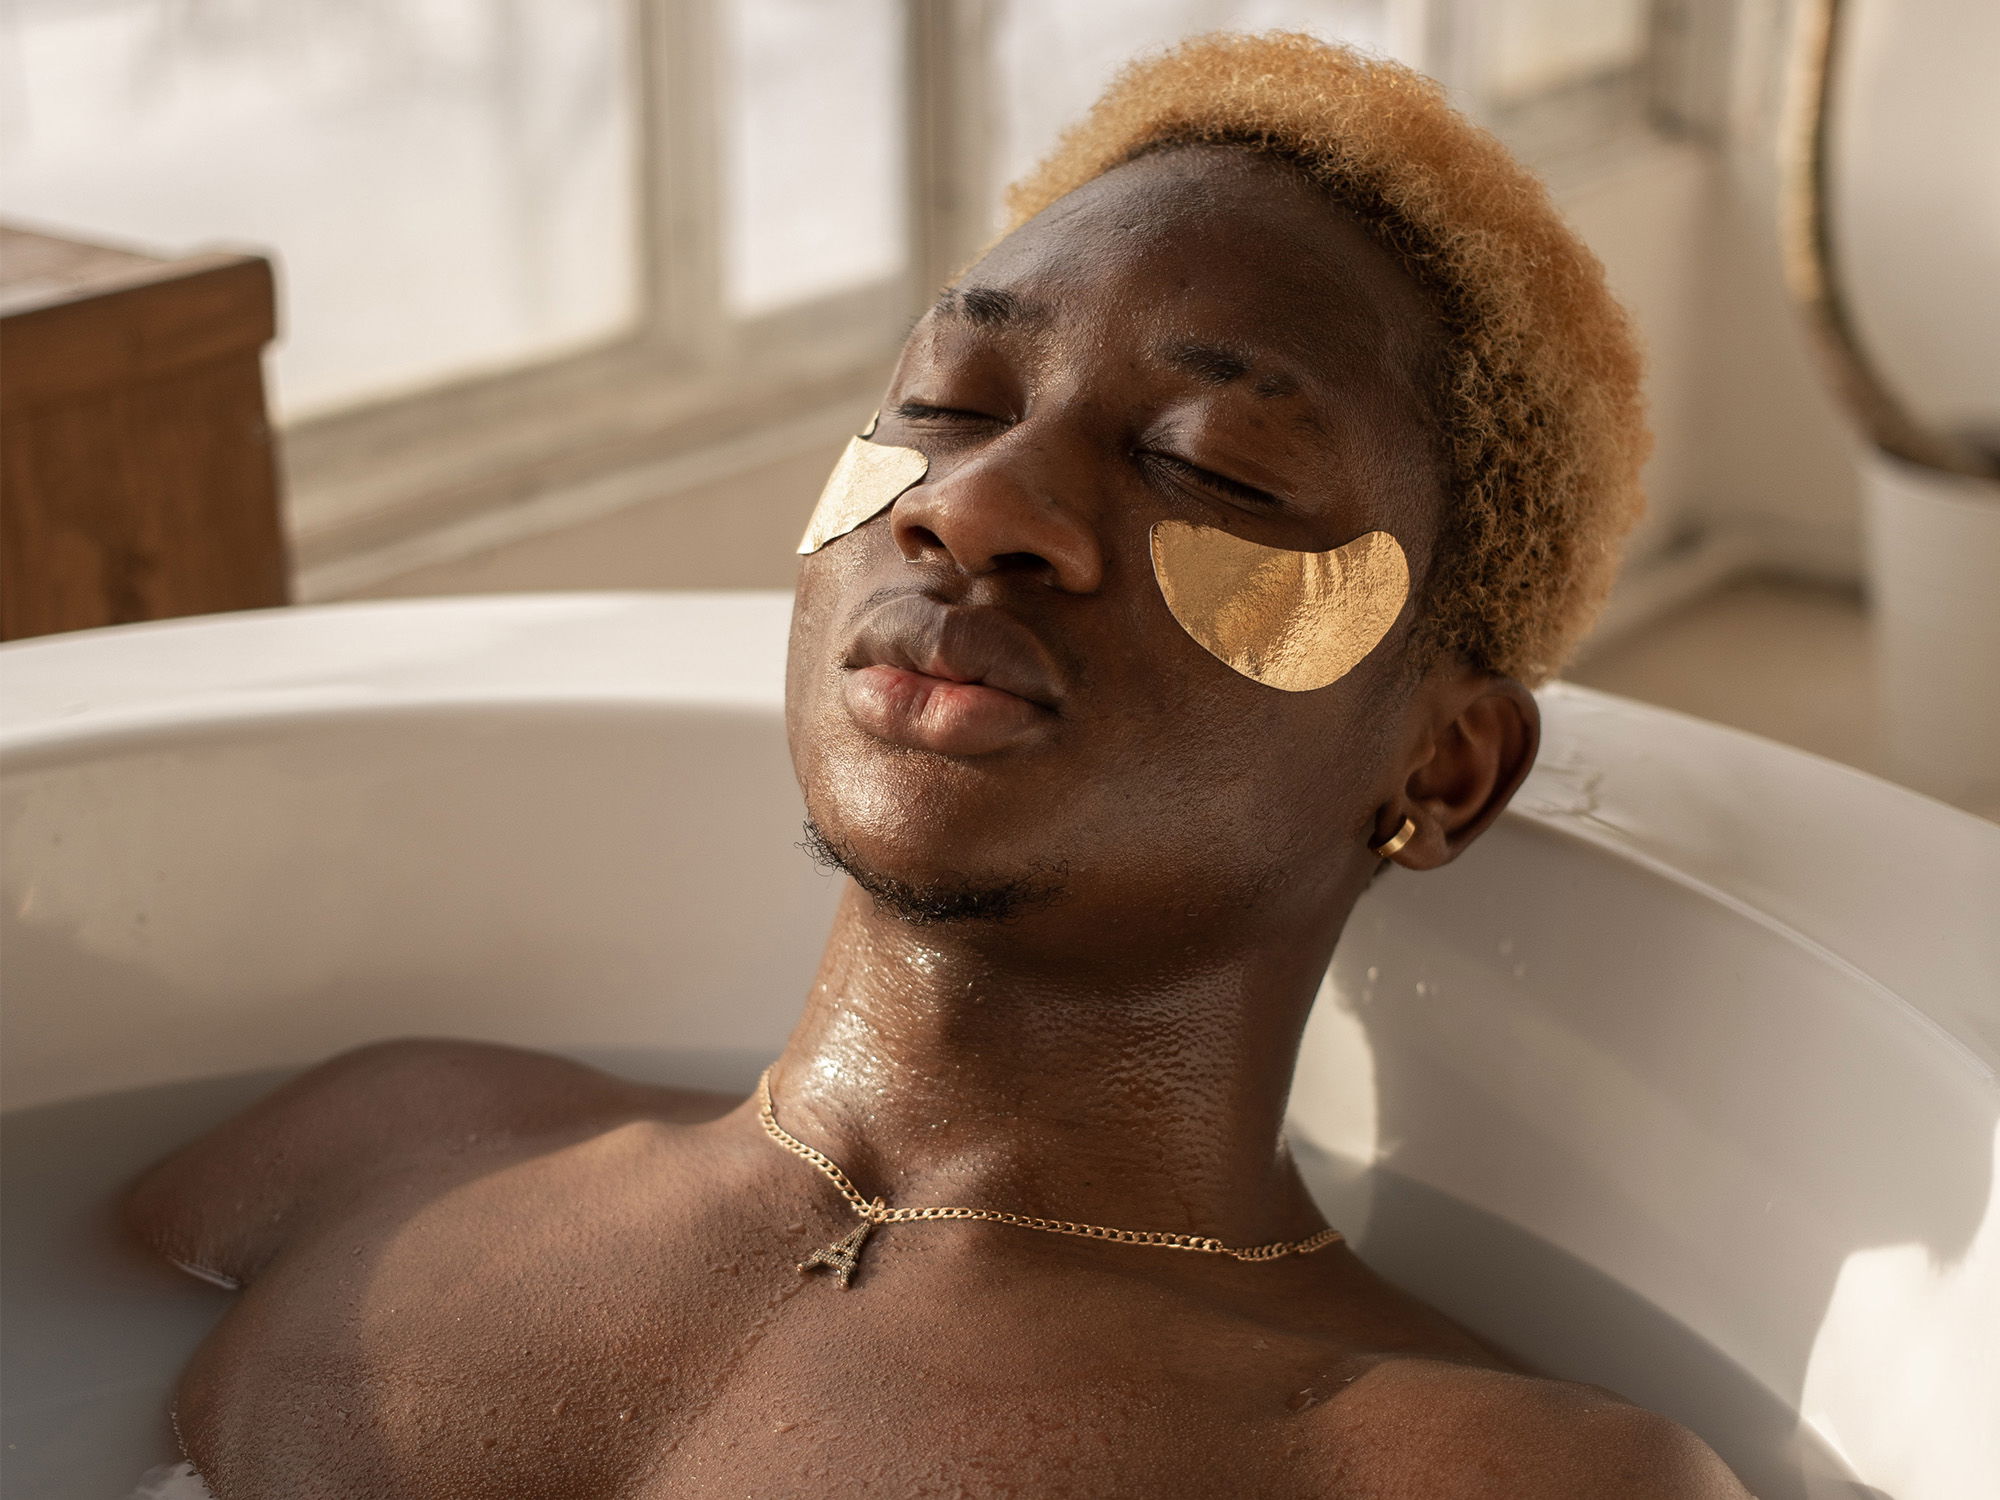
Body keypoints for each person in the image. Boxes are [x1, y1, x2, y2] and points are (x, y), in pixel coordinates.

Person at [126, 33, 1751, 1498]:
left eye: (1215, 466)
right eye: (948, 400)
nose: (974, 507)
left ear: (1444, 765)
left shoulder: (1479, 1477)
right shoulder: (364, 1153)